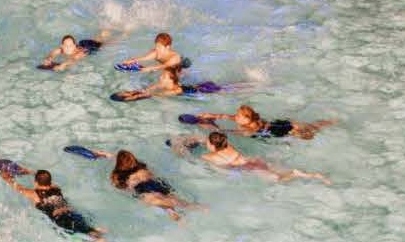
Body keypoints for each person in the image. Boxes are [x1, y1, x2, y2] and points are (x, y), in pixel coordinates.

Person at [0, 164, 119, 242]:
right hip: (72, 213)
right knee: (87, 228)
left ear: (35, 182)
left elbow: (16, 186)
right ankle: (104, 235)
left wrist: (5, 176)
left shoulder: (33, 194)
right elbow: (45, 180)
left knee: (90, 236)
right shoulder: (57, 188)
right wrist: (32, 172)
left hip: (61, 219)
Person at [73, 148, 194, 221]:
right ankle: (181, 208)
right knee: (171, 199)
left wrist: (101, 154)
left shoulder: (118, 175)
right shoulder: (142, 166)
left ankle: (180, 208)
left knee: (153, 201)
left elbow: (119, 186)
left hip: (142, 188)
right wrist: (105, 154)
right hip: (158, 183)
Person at [176, 131, 329, 183]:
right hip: (253, 160)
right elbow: (211, 140)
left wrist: (181, 149)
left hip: (247, 167)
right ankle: (311, 175)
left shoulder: (208, 156)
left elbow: (196, 160)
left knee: (278, 180)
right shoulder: (228, 146)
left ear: (211, 145)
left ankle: (296, 174)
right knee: (277, 170)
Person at [185, 105, 337, 140]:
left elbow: (235, 133)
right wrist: (210, 115)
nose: (235, 116)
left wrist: (216, 129)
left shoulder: (249, 129)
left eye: (239, 115)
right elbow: (225, 116)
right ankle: (329, 122)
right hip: (278, 123)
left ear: (247, 119)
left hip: (279, 130)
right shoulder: (244, 120)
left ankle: (327, 124)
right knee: (310, 125)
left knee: (308, 135)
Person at [112, 61, 186, 102]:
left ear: (171, 79)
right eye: (162, 75)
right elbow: (146, 91)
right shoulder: (163, 84)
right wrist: (130, 94)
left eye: (163, 77)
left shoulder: (177, 90)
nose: (160, 77)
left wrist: (130, 98)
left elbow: (152, 94)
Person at [118, 32, 184, 73]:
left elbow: (163, 66)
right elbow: (143, 58)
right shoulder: (156, 52)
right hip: (165, 65)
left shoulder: (174, 57)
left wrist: (149, 69)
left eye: (160, 47)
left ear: (167, 47)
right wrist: (131, 61)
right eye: (156, 46)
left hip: (178, 66)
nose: (157, 49)